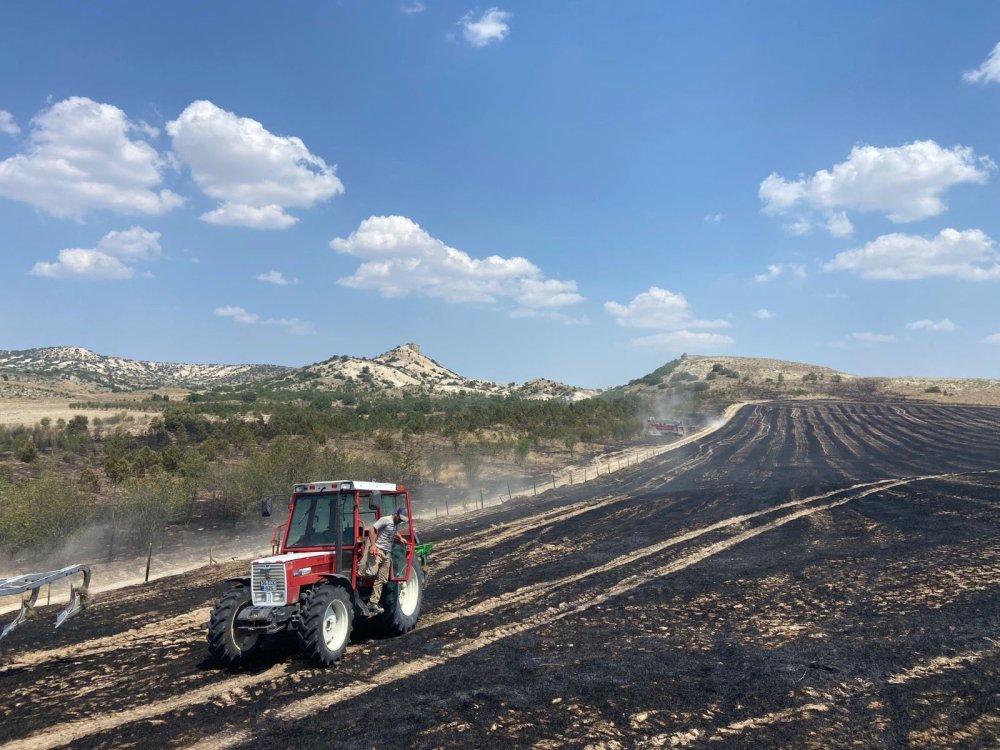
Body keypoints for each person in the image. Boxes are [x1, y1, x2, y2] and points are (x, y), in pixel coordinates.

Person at [366, 506, 407, 615]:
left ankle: (373, 603)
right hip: (378, 550)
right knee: (370, 573)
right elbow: (372, 529)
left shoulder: (396, 524)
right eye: (400, 518)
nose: (401, 521)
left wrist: (400, 538)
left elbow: (393, 531)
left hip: (387, 554)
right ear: (396, 514)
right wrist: (373, 545)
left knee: (382, 578)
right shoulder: (385, 520)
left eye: (403, 520)